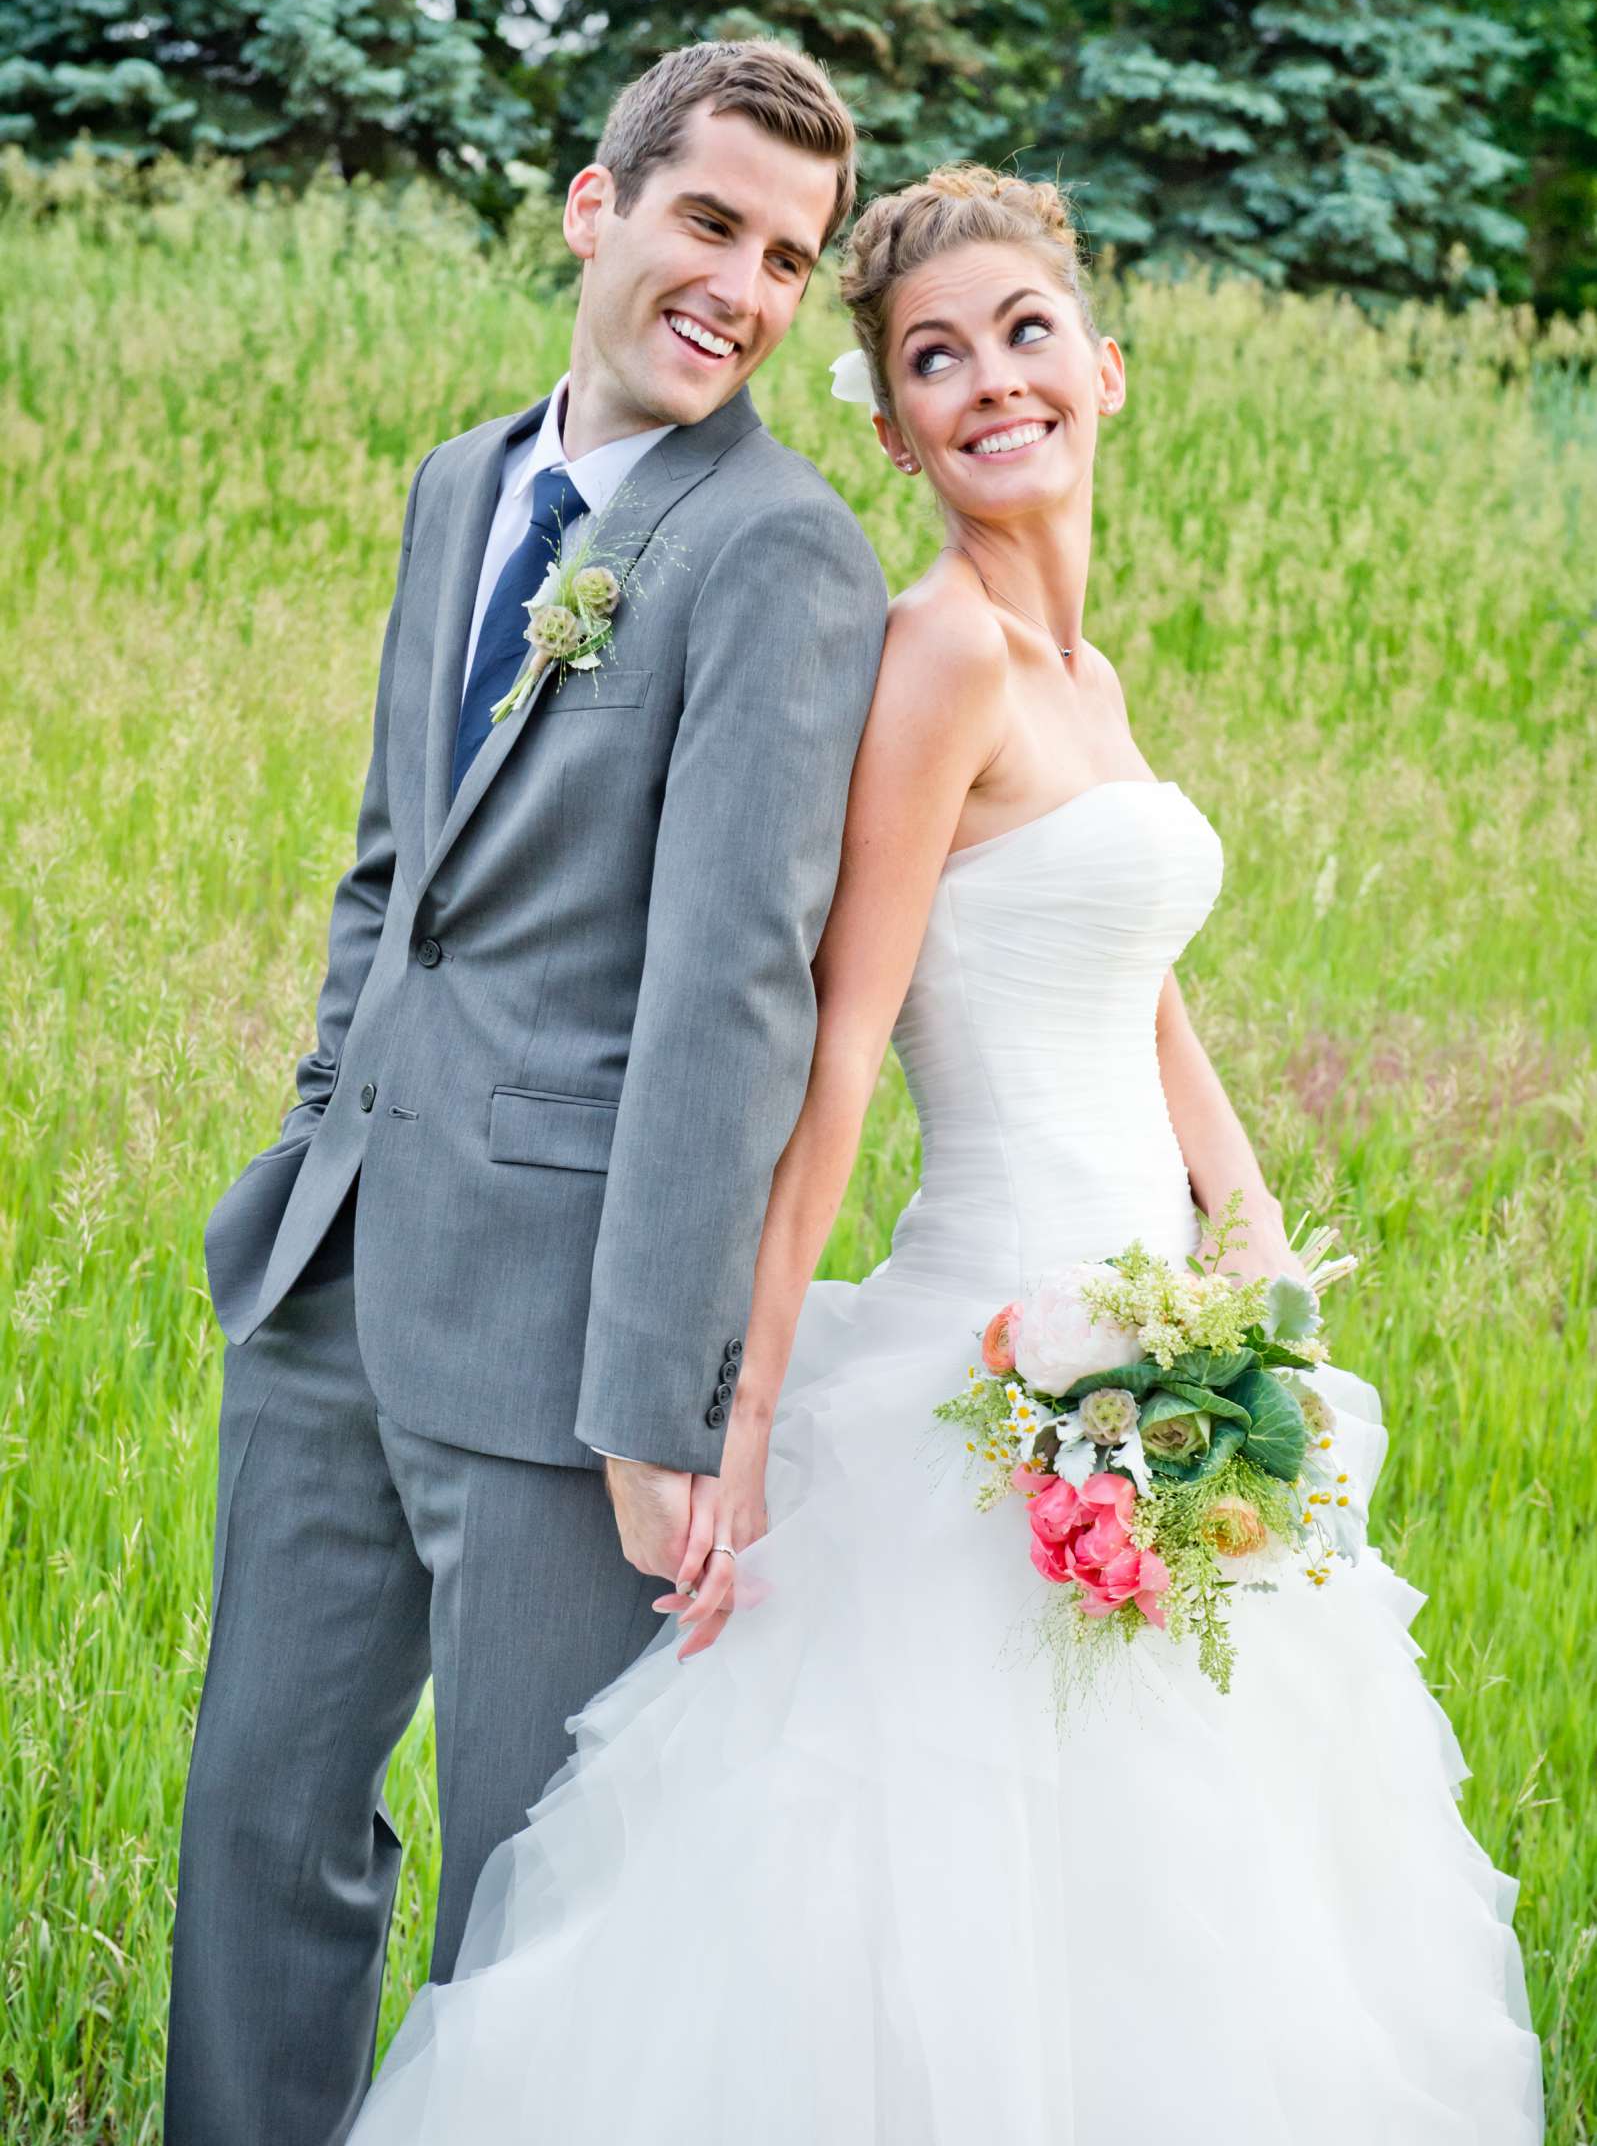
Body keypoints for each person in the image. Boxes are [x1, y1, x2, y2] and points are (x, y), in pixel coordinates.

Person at [346, 166, 1545, 2144]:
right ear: (888, 424)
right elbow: (831, 1048)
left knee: (1219, 1907)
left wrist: (1260, 1291)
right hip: (996, 1360)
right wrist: (732, 1417)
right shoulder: (942, 658)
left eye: (1022, 334)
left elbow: (1149, 1005)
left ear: (1106, 369)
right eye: (931, 357)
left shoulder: (1091, 683)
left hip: (1164, 1353)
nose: (990, 380)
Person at [165, 38, 889, 2146]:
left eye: (786, 257)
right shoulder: (463, 484)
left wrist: (654, 1404)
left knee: (529, 1893)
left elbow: (727, 997)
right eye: (710, 223)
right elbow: (394, 863)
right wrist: (316, 1128)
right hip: (330, 1273)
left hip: (562, 1346)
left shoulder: (780, 555)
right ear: (598, 206)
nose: (744, 285)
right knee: (257, 1823)